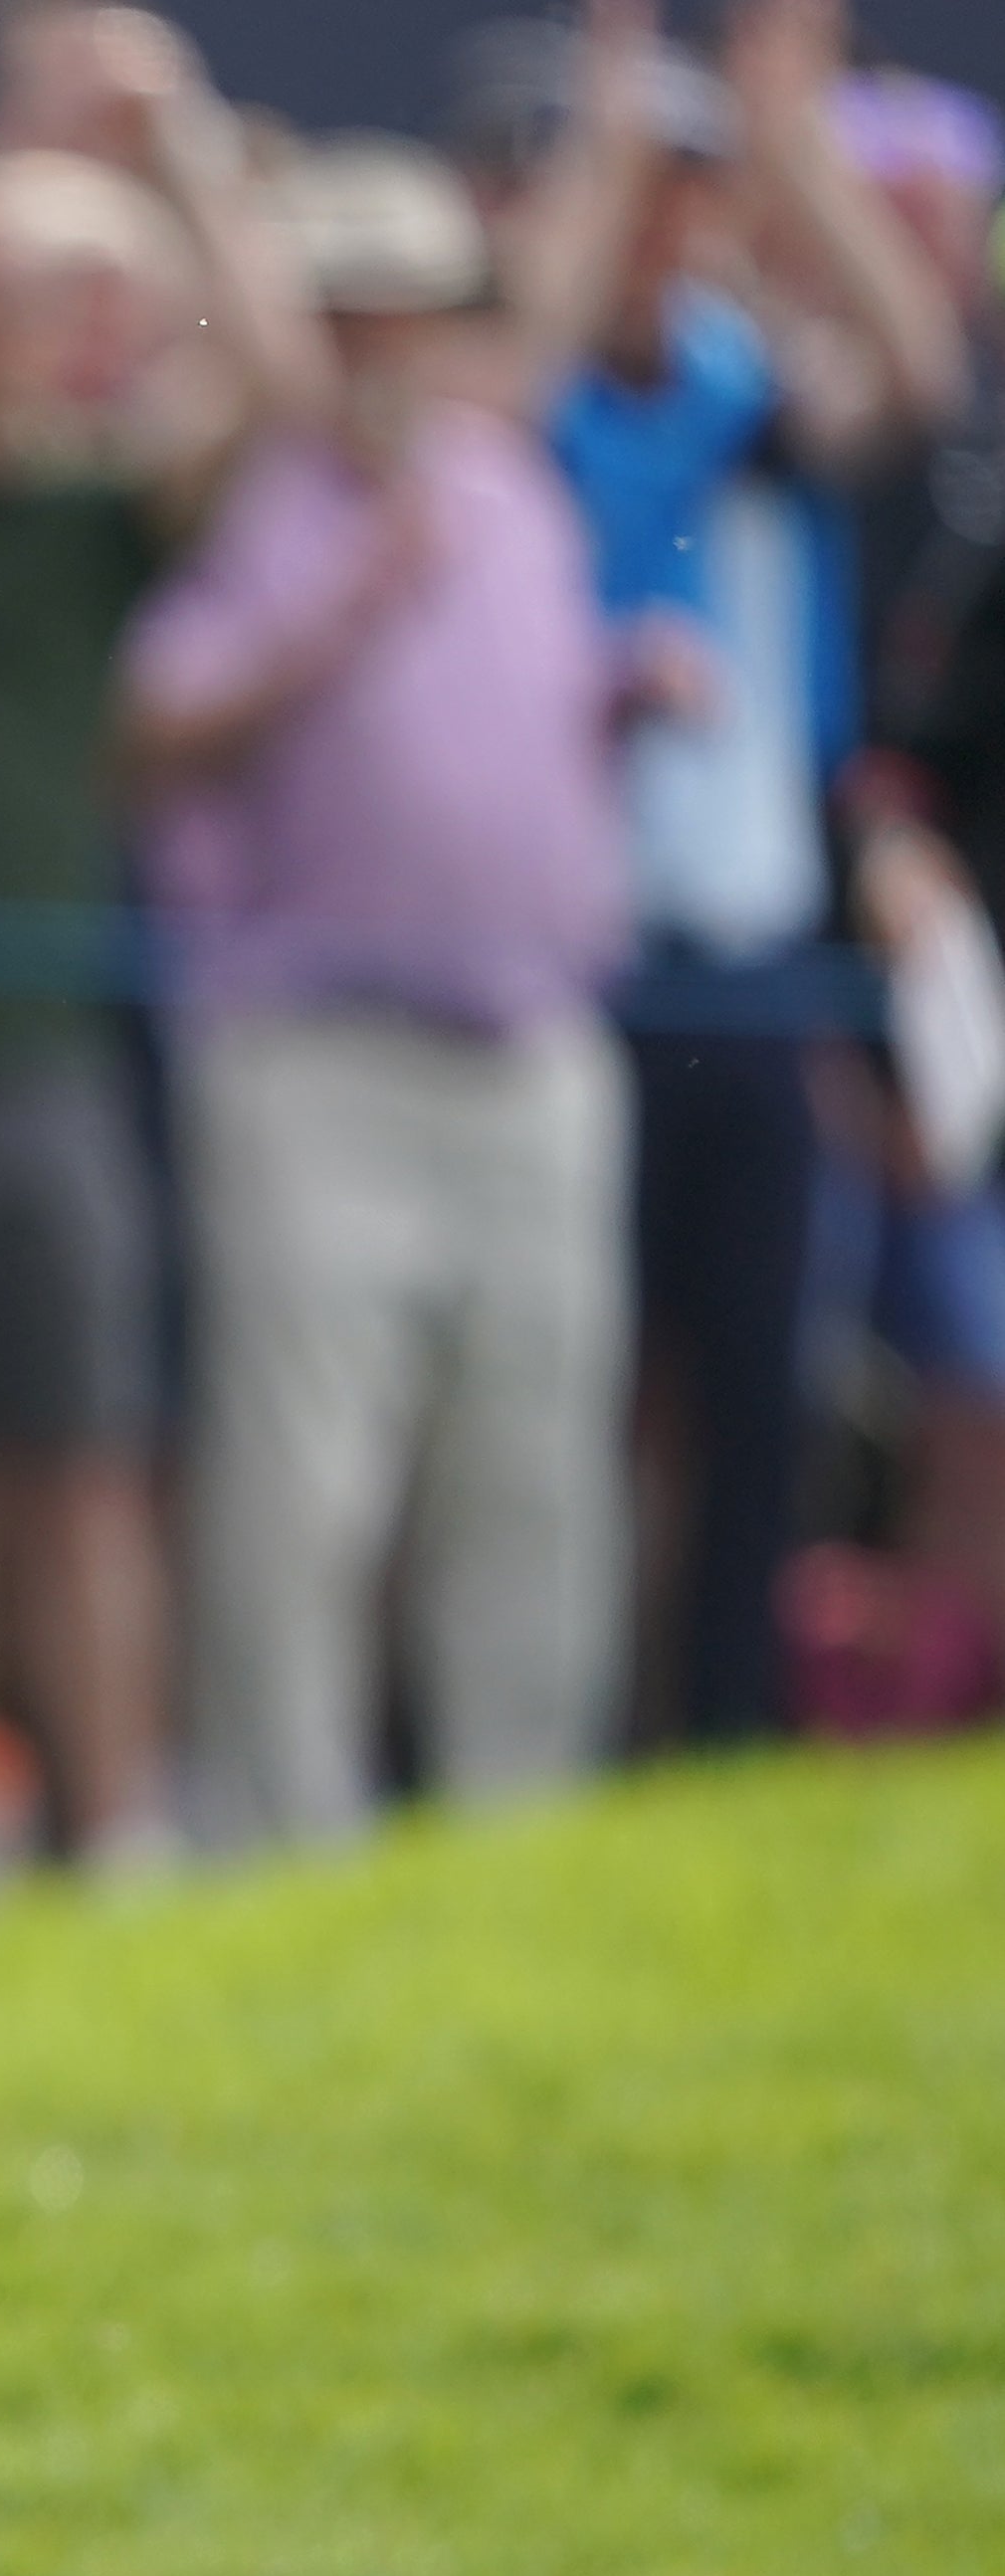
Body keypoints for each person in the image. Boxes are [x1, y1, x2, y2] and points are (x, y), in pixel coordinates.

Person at [0, 68, 317, 1883]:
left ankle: (118, 1816)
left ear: (55, 337)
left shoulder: (87, 516)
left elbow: (267, 378)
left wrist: (184, 153)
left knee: (80, 1457)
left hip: (39, 1060)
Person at [123, 137, 631, 1849]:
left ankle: (519, 1829)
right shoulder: (236, 500)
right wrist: (342, 611)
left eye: (413, 314)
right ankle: (285, 1836)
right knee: (305, 1490)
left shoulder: (516, 490)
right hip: (311, 1047)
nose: (384, 349)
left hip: (534, 1045)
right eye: (352, 316)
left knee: (532, 1470)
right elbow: (157, 734)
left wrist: (627, 700)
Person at [502, 0, 972, 1748]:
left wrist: (790, 141)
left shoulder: (738, 393)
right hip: (587, 967)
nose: (660, 231)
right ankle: (589, 1719)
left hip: (760, 968)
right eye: (639, 198)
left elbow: (917, 364)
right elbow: (537, 348)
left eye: (687, 203)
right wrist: (614, 136)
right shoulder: (531, 401)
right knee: (585, 1394)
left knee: (759, 1387)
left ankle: (719, 1730)